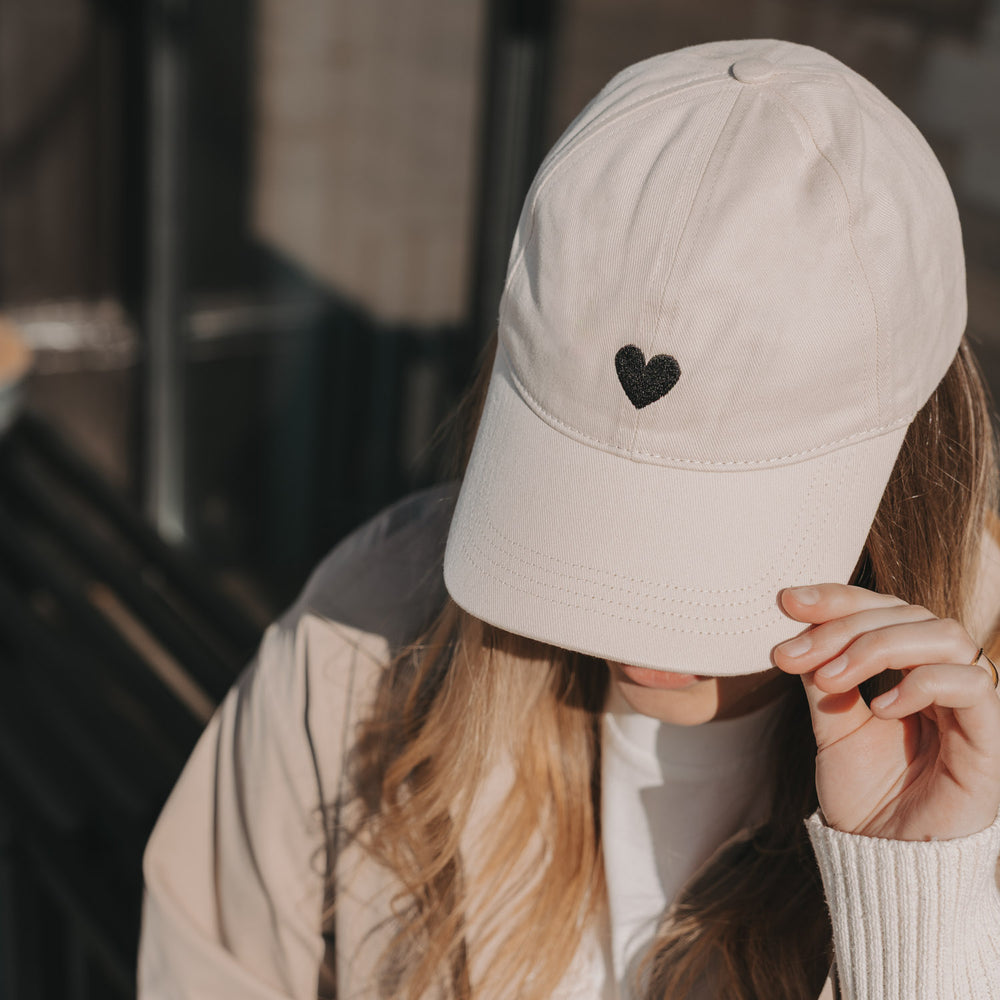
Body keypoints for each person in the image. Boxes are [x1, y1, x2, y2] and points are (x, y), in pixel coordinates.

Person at [137, 38, 1000, 1000]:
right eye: (589, 494)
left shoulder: (974, 752)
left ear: (909, 456)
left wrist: (916, 916)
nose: (635, 616)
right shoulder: (366, 645)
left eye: (722, 524)